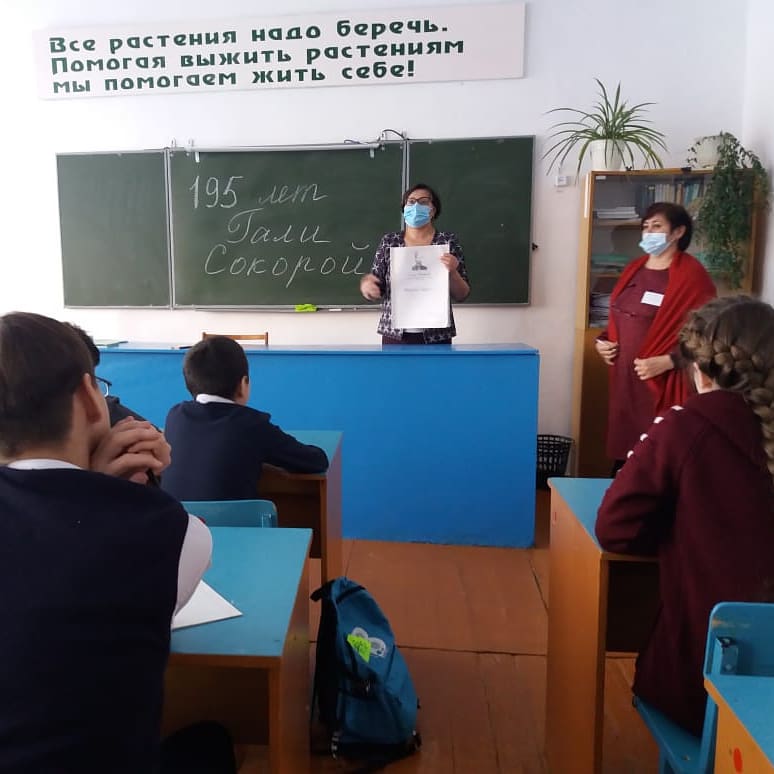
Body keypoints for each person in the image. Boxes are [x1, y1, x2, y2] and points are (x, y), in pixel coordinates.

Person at [0, 312, 235, 773]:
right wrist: (102, 486)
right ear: (90, 398)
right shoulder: (176, 534)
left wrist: (86, 483)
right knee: (211, 740)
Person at [595, 296, 774, 737]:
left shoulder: (686, 426)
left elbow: (615, 528)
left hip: (706, 688)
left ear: (700, 371)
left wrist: (675, 529)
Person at [595, 202, 716, 471]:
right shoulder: (635, 268)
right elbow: (618, 315)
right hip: (627, 382)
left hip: (663, 380)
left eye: (657, 226)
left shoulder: (691, 276)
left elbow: (708, 334)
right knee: (626, 453)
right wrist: (601, 342)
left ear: (678, 232)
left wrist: (670, 361)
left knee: (658, 453)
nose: (648, 232)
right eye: (645, 227)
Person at [161, 335, 328, 501]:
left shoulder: (175, 416)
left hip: (177, 518)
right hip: (234, 519)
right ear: (243, 384)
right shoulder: (253, 425)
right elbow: (316, 462)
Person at [359, 182, 471, 344]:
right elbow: (377, 286)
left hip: (437, 334)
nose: (416, 206)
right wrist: (368, 286)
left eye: (424, 202)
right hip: (395, 334)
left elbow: (462, 294)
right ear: (404, 208)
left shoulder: (446, 241)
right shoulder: (390, 241)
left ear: (433, 210)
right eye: (411, 202)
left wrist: (453, 271)